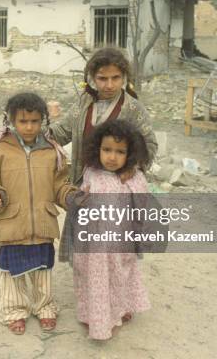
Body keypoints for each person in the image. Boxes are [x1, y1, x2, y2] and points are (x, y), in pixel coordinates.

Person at [0, 92, 76, 335]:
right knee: (12, 272)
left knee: (43, 270)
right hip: (12, 222)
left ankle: (45, 308)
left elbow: (59, 184)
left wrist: (69, 196)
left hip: (43, 222)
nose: (29, 127)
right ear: (11, 121)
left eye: (34, 121)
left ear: (43, 121)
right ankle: (14, 311)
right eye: (23, 121)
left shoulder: (52, 151)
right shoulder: (2, 150)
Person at [66, 119, 152, 340]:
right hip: (94, 244)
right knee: (94, 279)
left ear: (130, 154)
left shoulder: (134, 178)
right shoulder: (91, 173)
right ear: (97, 149)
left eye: (120, 152)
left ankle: (119, 310)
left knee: (119, 276)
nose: (112, 157)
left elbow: (141, 207)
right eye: (107, 150)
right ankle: (95, 317)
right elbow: (81, 200)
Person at [49, 46, 157, 186]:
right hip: (83, 184)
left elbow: (149, 144)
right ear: (93, 78)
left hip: (118, 186)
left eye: (115, 78)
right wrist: (38, 131)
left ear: (124, 77)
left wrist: (132, 167)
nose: (109, 85)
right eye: (103, 78)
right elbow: (62, 131)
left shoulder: (133, 109)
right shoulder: (84, 102)